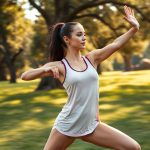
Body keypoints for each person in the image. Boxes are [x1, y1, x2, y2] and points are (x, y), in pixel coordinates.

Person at [21, 5, 141, 150]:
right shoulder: (60, 66)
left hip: (91, 124)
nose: (84, 37)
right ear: (67, 39)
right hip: (68, 124)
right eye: (79, 34)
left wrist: (134, 28)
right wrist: (45, 69)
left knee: (133, 147)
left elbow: (115, 44)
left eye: (84, 34)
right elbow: (25, 76)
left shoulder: (92, 59)